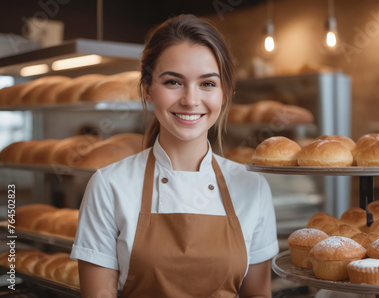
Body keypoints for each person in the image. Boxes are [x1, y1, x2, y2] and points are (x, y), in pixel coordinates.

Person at [70, 14, 279, 297]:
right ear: (148, 90)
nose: (191, 100)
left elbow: (257, 294)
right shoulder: (109, 186)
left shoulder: (252, 187)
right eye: (173, 82)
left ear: (225, 93)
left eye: (207, 84)